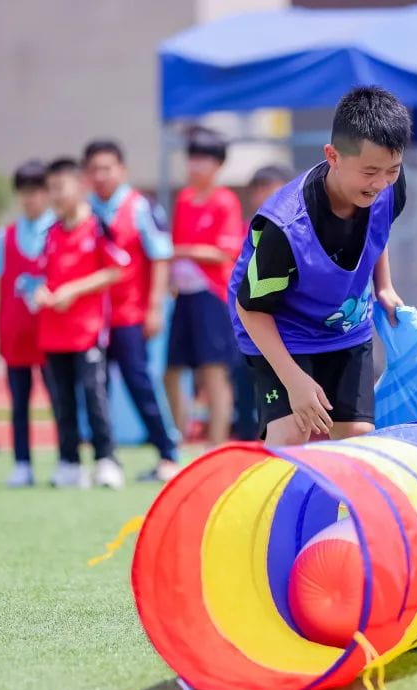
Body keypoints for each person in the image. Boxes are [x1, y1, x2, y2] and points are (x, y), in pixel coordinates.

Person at [229, 86, 409, 445]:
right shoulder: (286, 227)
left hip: (344, 326)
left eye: (392, 169)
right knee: (293, 431)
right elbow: (250, 308)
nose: (380, 183)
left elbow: (377, 230)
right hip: (281, 327)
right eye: (370, 171)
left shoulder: (388, 187)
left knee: (357, 435)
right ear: (333, 156)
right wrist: (294, 380)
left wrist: (384, 286)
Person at [84, 139, 178, 482]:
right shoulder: (84, 211)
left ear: (122, 170)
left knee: (140, 384)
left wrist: (154, 308)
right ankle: (106, 459)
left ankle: (167, 453)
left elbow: (161, 256)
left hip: (130, 316)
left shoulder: (141, 207)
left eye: (106, 168)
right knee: (96, 389)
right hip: (92, 320)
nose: (100, 176)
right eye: (94, 170)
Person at [37, 157, 128, 489]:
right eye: (51, 189)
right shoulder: (50, 233)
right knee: (61, 400)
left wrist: (73, 290)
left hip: (87, 332)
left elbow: (116, 269)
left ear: (79, 186)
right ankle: (69, 462)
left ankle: (106, 460)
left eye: (60, 187)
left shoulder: (98, 226)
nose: (55, 195)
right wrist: (42, 292)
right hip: (52, 332)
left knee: (93, 395)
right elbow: (41, 274)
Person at [166, 127, 243, 447]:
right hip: (183, 296)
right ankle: (178, 439)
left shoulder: (225, 201)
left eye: (203, 160)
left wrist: (183, 251)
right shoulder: (184, 199)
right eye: (192, 159)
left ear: (218, 165)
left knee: (214, 371)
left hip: (211, 295)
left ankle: (216, 444)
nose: (195, 166)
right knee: (171, 370)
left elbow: (225, 251)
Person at [0, 160, 58, 487]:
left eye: (36, 191)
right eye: (24, 192)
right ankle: (22, 463)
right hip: (15, 332)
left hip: (52, 333)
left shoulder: (59, 230)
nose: (30, 199)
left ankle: (66, 460)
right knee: (18, 401)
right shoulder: (7, 235)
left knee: (59, 400)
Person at [230, 165, 295, 441]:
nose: (264, 195)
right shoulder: (247, 230)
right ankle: (246, 436)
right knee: (243, 378)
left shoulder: (294, 230)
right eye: (258, 190)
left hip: (279, 324)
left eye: (271, 188)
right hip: (245, 320)